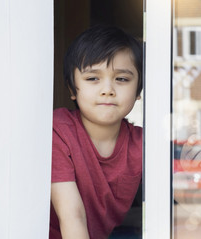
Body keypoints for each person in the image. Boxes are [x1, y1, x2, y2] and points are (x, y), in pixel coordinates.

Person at [49, 25, 143, 239]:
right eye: (93, 78)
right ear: (72, 89)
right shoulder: (59, 132)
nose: (107, 89)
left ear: (138, 91)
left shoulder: (141, 143)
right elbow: (73, 216)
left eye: (122, 79)